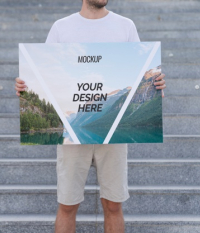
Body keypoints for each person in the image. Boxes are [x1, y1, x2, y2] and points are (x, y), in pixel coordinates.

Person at [15, 0, 166, 232]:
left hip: (114, 137)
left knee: (113, 204)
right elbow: (41, 77)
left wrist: (156, 84)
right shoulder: (61, 28)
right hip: (72, 141)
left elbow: (140, 73)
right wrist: (26, 86)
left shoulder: (125, 26)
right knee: (67, 204)